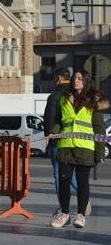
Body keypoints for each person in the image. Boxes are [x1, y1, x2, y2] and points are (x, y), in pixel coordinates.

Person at [49, 69, 108, 229]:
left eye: (80, 79)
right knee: (64, 180)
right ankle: (64, 213)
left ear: (86, 81)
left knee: (82, 183)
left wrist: (99, 152)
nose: (76, 81)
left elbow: (99, 128)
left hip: (85, 147)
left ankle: (80, 215)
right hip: (66, 145)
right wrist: (53, 132)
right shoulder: (64, 98)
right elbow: (58, 121)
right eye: (75, 78)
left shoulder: (93, 100)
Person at [44, 68, 80, 214]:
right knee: (71, 172)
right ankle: (84, 195)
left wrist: (48, 135)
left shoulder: (55, 95)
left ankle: (63, 208)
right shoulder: (75, 94)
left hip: (58, 139)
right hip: (76, 140)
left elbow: (49, 118)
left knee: (59, 173)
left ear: (57, 78)